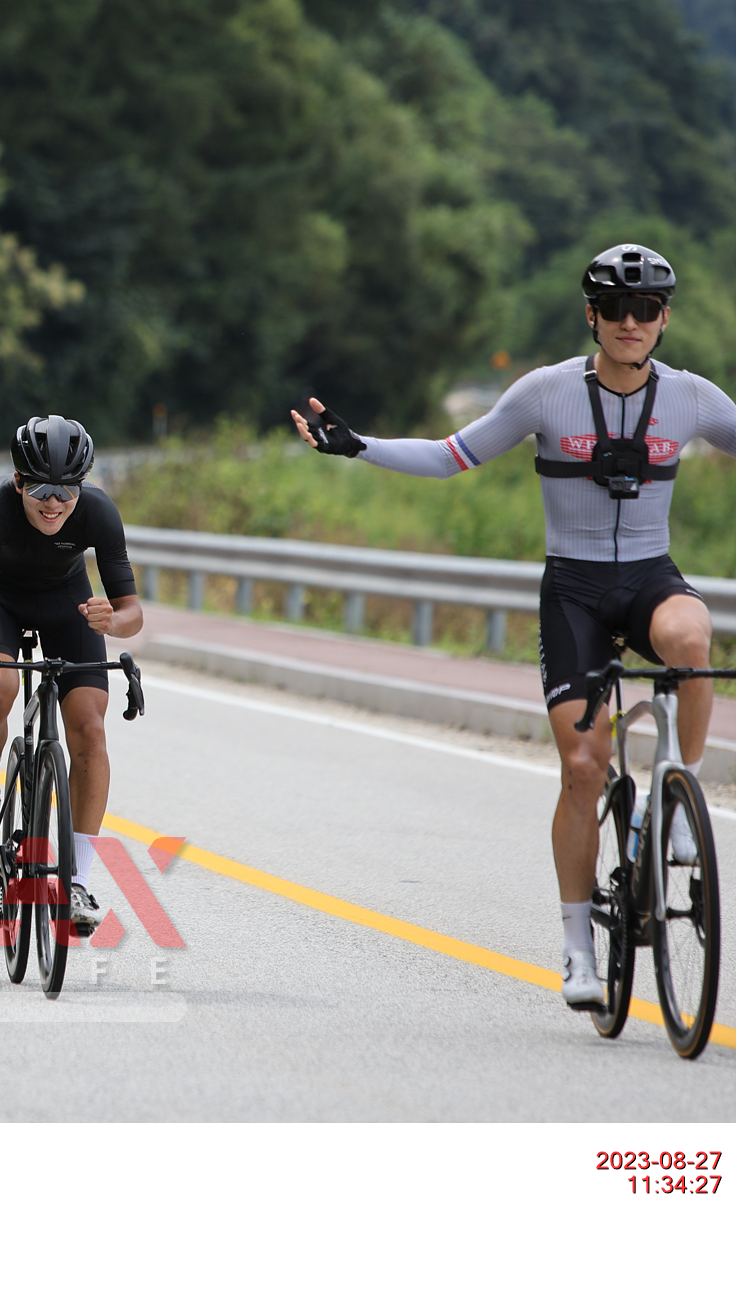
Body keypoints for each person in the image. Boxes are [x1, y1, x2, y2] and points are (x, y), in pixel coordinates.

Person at [290, 242, 736, 1013]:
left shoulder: (691, 398)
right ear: (592, 315)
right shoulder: (545, 393)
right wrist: (359, 446)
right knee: (583, 765)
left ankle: (680, 801)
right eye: (616, 308)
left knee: (693, 639)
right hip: (574, 591)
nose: (631, 322)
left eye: (646, 309)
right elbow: (450, 456)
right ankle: (576, 947)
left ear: (664, 319)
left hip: (650, 578)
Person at [0, 414, 144, 936]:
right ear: (19, 482)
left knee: (90, 729)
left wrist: (112, 620)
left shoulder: (99, 511)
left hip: (70, 607)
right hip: (4, 604)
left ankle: (76, 880)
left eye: (67, 490)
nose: (54, 502)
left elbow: (132, 614)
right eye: (40, 489)